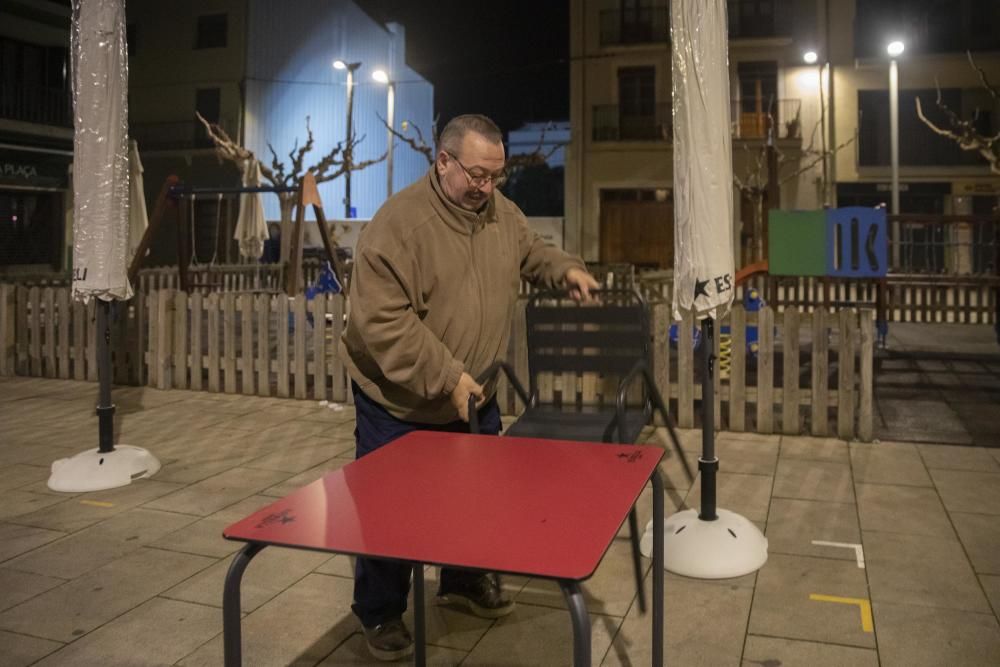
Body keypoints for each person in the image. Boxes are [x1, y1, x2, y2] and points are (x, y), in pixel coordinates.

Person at [340, 113, 599, 661]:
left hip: (471, 392)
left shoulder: (498, 212)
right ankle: (381, 612)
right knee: (392, 514)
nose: (487, 187)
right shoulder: (398, 227)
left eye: (495, 176)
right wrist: (444, 374)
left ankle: (460, 580)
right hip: (400, 400)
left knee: (474, 502)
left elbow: (530, 250)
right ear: (443, 161)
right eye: (478, 175)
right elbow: (382, 322)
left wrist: (566, 269)